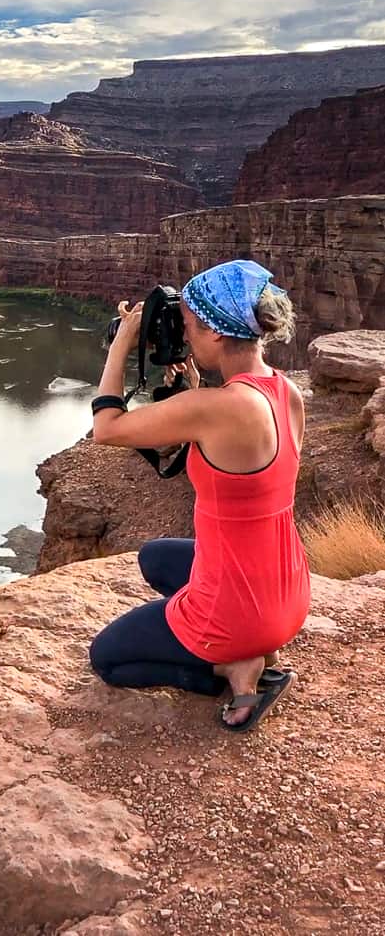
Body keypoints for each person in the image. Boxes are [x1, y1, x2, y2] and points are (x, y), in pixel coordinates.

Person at [88, 260, 310, 732]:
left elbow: (105, 430)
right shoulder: (285, 390)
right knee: (154, 558)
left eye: (188, 326)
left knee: (107, 658)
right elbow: (241, 472)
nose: (184, 337)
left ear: (213, 332)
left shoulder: (211, 408)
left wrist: (121, 345)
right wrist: (189, 394)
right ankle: (252, 645)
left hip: (238, 613)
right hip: (288, 593)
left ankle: (230, 667)